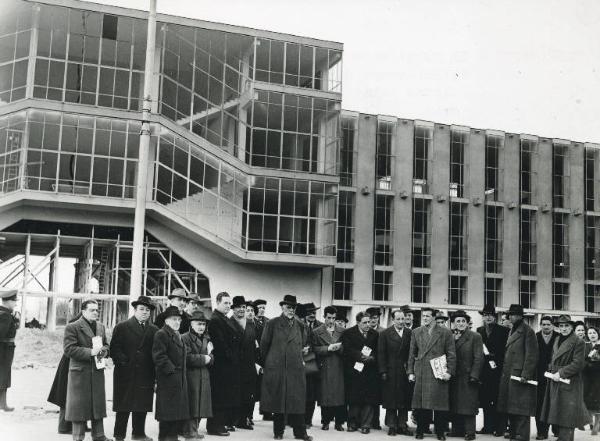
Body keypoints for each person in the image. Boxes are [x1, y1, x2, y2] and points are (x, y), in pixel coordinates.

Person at [260, 294, 312, 441]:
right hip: (277, 368)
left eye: (293, 307)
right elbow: (264, 347)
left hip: (295, 368)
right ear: (282, 307)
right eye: (288, 307)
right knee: (279, 400)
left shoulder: (301, 325)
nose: (291, 310)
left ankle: (300, 432)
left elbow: (303, 344)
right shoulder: (272, 323)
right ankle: (278, 431)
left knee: (297, 400)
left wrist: (301, 356)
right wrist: (270, 365)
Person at [110, 295, 158, 441]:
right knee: (123, 406)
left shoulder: (154, 330)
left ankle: (138, 433)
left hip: (146, 373)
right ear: (135, 310)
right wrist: (125, 363)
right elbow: (114, 350)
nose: (145, 312)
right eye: (142, 309)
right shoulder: (122, 327)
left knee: (141, 405)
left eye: (148, 310)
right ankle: (119, 435)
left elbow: (156, 352)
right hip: (126, 373)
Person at [63, 299, 112, 441]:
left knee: (97, 405)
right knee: (79, 408)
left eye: (97, 310)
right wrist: (90, 352)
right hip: (80, 373)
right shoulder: (72, 327)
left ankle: (99, 435)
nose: (95, 312)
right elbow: (69, 349)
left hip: (97, 371)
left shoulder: (101, 327)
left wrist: (103, 352)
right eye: (92, 310)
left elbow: (107, 346)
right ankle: (78, 437)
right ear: (83, 311)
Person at [408, 306, 457, 441]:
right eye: (423, 316)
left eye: (428, 316)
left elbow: (451, 354)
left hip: (439, 370)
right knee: (422, 403)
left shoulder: (445, 333)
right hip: (422, 370)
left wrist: (449, 372)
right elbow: (412, 354)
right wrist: (410, 371)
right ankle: (420, 430)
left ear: (434, 318)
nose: (425, 318)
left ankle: (440, 431)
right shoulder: (416, 332)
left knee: (439, 403)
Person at [539, 315, 591, 441]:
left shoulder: (578, 342)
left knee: (567, 414)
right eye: (561, 326)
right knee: (558, 412)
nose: (563, 328)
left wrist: (560, 373)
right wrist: (551, 370)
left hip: (569, 382)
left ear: (572, 327)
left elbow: (577, 364)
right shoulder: (557, 339)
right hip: (556, 379)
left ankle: (565, 438)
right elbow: (553, 357)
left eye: (566, 326)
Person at [497, 304, 539, 441]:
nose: (510, 317)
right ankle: (514, 434)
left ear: (521, 316)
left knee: (521, 409)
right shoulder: (513, 330)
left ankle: (521, 436)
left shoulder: (528, 331)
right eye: (510, 315)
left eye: (513, 314)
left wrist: (526, 374)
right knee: (511, 407)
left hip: (519, 376)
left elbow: (532, 355)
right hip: (510, 374)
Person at [153, 306, 190, 441]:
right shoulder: (162, 334)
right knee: (167, 413)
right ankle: (164, 438)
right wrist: (172, 371)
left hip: (178, 379)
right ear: (166, 320)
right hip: (168, 380)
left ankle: (172, 437)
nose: (177, 322)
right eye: (174, 319)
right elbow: (159, 356)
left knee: (175, 412)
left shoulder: (176, 334)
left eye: (179, 320)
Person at [206, 292, 241, 436]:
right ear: (218, 303)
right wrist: (232, 357)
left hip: (227, 364)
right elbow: (220, 344)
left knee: (223, 395)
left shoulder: (223, 318)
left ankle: (218, 424)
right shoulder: (215, 320)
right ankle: (215, 426)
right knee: (219, 396)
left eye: (229, 303)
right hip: (221, 365)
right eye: (225, 303)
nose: (228, 306)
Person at [342, 310, 380, 434]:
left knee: (368, 399)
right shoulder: (348, 333)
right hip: (354, 370)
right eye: (365, 322)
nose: (368, 324)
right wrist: (360, 356)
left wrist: (372, 357)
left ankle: (366, 424)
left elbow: (378, 350)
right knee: (354, 398)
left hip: (369, 371)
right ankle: (352, 423)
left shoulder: (375, 334)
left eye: (369, 322)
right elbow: (347, 349)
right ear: (358, 323)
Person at [448, 311, 484, 441]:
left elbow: (479, 358)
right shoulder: (450, 336)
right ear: (453, 323)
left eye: (463, 321)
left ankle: (470, 432)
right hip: (454, 376)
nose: (461, 324)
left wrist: (474, 375)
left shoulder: (475, 336)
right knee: (455, 403)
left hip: (468, 376)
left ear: (467, 323)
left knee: (468, 404)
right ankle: (457, 430)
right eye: (458, 321)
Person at [476, 304, 509, 436]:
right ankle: (487, 426)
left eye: (490, 315)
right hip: (484, 371)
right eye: (485, 315)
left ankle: (499, 427)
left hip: (498, 370)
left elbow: (506, 351)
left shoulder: (504, 331)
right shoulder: (479, 331)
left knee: (497, 399)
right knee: (485, 399)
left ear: (495, 317)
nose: (487, 317)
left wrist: (495, 359)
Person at [378, 309, 412, 436]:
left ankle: (402, 425)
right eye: (398, 319)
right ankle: (392, 425)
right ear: (393, 320)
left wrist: (410, 370)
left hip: (404, 370)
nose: (401, 322)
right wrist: (383, 371)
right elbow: (381, 354)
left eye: (403, 319)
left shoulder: (410, 333)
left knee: (404, 398)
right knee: (391, 399)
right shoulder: (385, 334)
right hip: (390, 370)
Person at [48, 313, 83, 434]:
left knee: (79, 396)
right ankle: (63, 427)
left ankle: (78, 424)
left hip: (78, 364)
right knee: (66, 395)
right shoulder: (74, 328)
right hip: (70, 364)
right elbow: (71, 349)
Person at [312, 306, 346, 431]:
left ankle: (339, 422)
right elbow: (314, 349)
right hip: (325, 366)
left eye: (333, 318)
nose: (331, 321)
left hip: (339, 366)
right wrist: (327, 349)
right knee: (325, 395)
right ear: (324, 317)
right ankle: (325, 421)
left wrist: (339, 348)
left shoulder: (342, 331)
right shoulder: (316, 332)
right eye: (329, 318)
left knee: (339, 395)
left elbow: (347, 348)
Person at [182, 311, 213, 440]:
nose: (201, 327)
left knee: (201, 405)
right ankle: (189, 432)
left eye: (203, 324)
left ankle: (193, 430)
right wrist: (205, 359)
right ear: (191, 324)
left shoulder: (207, 338)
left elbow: (212, 356)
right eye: (198, 324)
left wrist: (209, 358)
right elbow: (186, 358)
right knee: (192, 404)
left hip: (204, 375)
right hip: (191, 376)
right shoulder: (185, 338)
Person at [230, 296, 258, 430]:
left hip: (249, 363)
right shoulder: (229, 323)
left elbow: (255, 345)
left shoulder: (251, 323)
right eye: (238, 307)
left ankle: (245, 419)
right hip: (235, 364)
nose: (241, 310)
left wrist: (257, 363)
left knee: (249, 393)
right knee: (236, 393)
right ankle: (234, 419)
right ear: (233, 309)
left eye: (243, 307)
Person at [534, 315, 558, 440]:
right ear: (540, 325)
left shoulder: (558, 337)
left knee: (554, 403)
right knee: (540, 405)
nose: (546, 326)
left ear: (552, 325)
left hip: (555, 375)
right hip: (539, 376)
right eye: (544, 324)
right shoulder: (535, 337)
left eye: (548, 324)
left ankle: (556, 428)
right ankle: (541, 432)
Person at [302, 302, 322, 427]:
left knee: (311, 394)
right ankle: (296, 419)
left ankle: (308, 420)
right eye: (309, 313)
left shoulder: (320, 326)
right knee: (300, 393)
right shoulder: (299, 325)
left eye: (314, 312)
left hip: (315, 364)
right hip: (301, 363)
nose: (312, 315)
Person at [0, 288, 18, 412]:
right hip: (4, 350)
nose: (15, 303)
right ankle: (3, 404)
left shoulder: (4, 314)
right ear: (7, 301)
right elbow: (1, 334)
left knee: (3, 376)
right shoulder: (5, 315)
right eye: (14, 301)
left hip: (4, 349)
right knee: (4, 376)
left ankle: (2, 404)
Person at [584, 326, 600, 435]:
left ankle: (597, 426)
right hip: (587, 377)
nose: (592, 335)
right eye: (589, 333)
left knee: (598, 400)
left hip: (598, 377)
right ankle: (590, 424)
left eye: (594, 332)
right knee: (588, 400)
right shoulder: (586, 346)